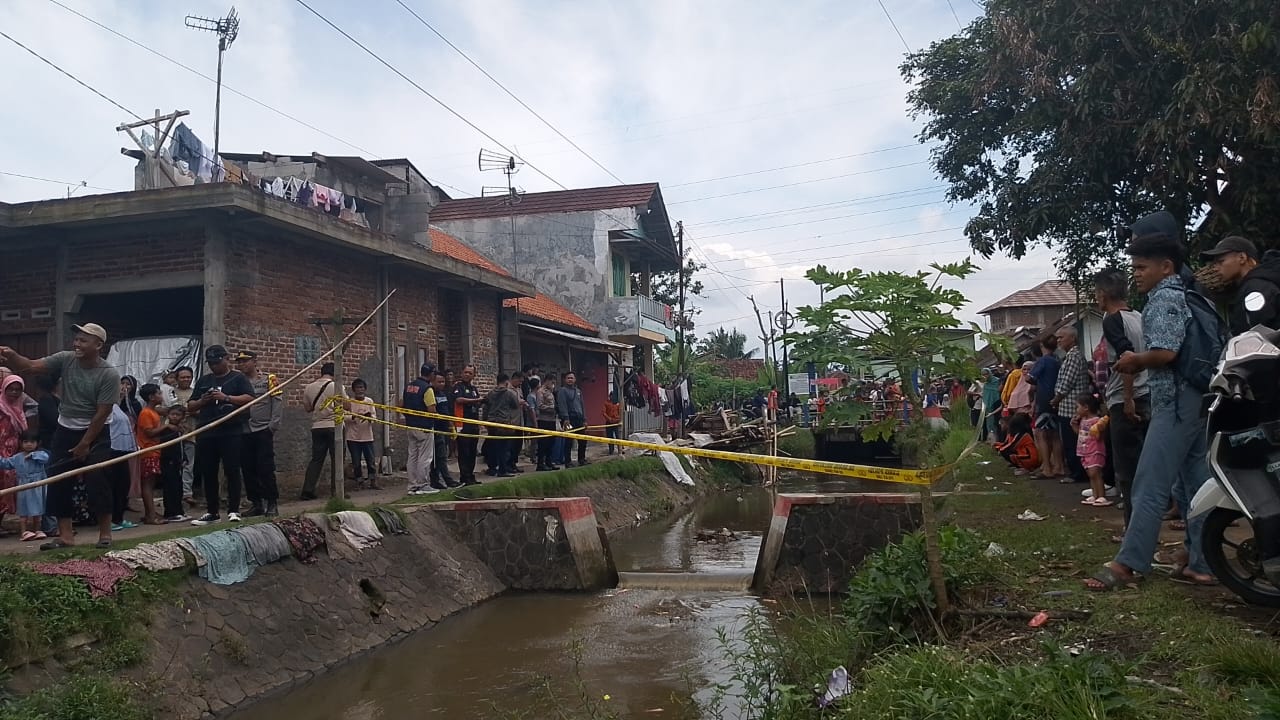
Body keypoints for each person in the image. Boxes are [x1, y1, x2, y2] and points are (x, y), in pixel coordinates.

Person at [1088, 229, 1215, 590]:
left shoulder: (1163, 299)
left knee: (1149, 482)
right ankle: (1202, 561)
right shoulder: (1188, 295)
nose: (1137, 274)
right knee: (1195, 483)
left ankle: (1128, 563)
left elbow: (1165, 354)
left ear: (1166, 266)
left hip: (1174, 402)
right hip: (1194, 398)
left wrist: (1134, 360)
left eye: (1143, 267)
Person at [0, 323, 120, 551]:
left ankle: (105, 534)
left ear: (99, 345)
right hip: (65, 429)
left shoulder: (109, 374)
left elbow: (102, 413)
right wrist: (12, 355)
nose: (77, 343)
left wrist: (85, 444)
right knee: (58, 479)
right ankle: (65, 536)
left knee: (99, 479)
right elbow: (31, 366)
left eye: (84, 340)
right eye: (77, 339)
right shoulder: (66, 359)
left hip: (96, 432)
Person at [1093, 267, 1150, 535]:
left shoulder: (1112, 320)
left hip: (1127, 398)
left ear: (1104, 294)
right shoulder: (1139, 317)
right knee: (1145, 466)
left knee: (1127, 471)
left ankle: (1134, 530)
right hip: (1148, 395)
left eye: (1096, 292)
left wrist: (1127, 398)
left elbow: (1127, 357)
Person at [187, 345, 255, 525]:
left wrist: (226, 397)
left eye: (217, 362)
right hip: (207, 431)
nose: (214, 366)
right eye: (211, 363)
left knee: (232, 470)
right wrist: (203, 400)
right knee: (208, 472)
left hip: (231, 430)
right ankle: (212, 511)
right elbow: (190, 405)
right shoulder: (204, 381)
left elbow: (250, 398)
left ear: (226, 359)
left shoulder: (237, 378)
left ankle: (234, 509)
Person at [1200, 235, 1280, 335]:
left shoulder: (1255, 289)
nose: (1215, 268)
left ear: (1242, 258)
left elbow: (1255, 338)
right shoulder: (1255, 285)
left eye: (1221, 261)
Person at [235, 351, 281, 516]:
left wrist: (272, 426)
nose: (242, 365)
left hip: (262, 429)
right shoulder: (237, 382)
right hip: (243, 430)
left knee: (265, 468)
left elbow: (277, 402)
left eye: (245, 361)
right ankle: (256, 503)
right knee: (248, 469)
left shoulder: (269, 379)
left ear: (255, 362)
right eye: (239, 362)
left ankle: (272, 502)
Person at [1051, 327, 1090, 484]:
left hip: (1071, 407)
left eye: (1062, 337)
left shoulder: (1074, 356)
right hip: (1067, 406)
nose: (1058, 340)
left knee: (1073, 442)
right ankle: (1076, 472)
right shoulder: (1068, 356)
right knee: (1069, 441)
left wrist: (1056, 398)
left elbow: (1067, 382)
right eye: (1057, 338)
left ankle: (1078, 474)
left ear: (1072, 338)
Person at [301, 362, 339, 501]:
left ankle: (307, 490)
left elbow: (307, 408)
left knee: (316, 460)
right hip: (334, 426)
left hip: (317, 427)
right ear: (334, 373)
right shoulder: (336, 386)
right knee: (337, 459)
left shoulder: (309, 387)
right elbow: (346, 404)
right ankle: (337, 491)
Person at [1, 431, 49, 541]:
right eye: (25, 442)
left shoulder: (40, 455)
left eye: (32, 442)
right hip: (23, 487)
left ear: (38, 443)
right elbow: (6, 463)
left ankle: (37, 530)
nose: (29, 444)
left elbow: (46, 458)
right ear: (20, 443)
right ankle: (24, 532)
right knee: (23, 510)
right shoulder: (17, 457)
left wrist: (32, 455)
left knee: (38, 510)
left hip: (38, 486)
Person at [1026, 337, 1063, 479]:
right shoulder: (1057, 360)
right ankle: (1059, 466)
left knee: (1041, 434)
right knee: (1055, 434)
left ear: (1042, 346)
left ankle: (1047, 468)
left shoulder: (1043, 361)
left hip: (1043, 400)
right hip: (1055, 399)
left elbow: (1029, 378)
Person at [399, 363, 437, 494]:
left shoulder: (409, 386)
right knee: (425, 457)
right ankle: (423, 485)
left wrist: (410, 418)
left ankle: (412, 485)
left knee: (413, 456)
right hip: (424, 427)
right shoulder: (427, 389)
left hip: (411, 425)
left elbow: (401, 405)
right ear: (431, 374)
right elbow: (431, 409)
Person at [133, 383, 168, 525]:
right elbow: (149, 432)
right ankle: (150, 516)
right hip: (148, 452)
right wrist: (166, 426)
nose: (161, 396)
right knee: (147, 484)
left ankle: (151, 513)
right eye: (158, 393)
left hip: (154, 450)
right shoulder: (146, 413)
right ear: (151, 397)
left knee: (150, 484)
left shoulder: (154, 412)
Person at [0, 375, 29, 533]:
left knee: (9, 489)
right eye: (10, 389)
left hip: (12, 457)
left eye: (18, 390)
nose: (14, 392)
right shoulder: (0, 407)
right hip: (0, 454)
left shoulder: (18, 410)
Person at [1073, 394, 1111, 507]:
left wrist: (1098, 430)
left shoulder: (1097, 421)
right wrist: (1074, 426)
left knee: (1096, 473)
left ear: (1086, 407)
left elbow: (1099, 436)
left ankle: (1101, 495)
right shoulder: (1083, 420)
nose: (1077, 410)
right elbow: (1081, 434)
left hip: (1095, 450)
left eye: (1078, 407)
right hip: (1085, 450)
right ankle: (1095, 494)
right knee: (1090, 474)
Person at [483, 372, 523, 477]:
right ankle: (502, 469)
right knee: (504, 447)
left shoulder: (490, 393)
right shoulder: (509, 393)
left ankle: (491, 468)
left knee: (492, 446)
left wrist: (485, 421)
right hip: (503, 422)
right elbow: (515, 405)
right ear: (506, 382)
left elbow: (485, 407)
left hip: (491, 422)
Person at [154, 405, 189, 522]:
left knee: (178, 487)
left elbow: (181, 446)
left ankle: (179, 511)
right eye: (172, 414)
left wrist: (184, 458)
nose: (174, 417)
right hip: (168, 461)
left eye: (178, 415)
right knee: (170, 487)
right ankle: (170, 512)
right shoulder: (165, 430)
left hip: (178, 462)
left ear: (183, 417)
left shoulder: (180, 430)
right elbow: (166, 446)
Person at [451, 365, 483, 486]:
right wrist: (476, 400)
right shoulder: (458, 387)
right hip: (463, 423)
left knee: (472, 451)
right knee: (464, 451)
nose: (467, 375)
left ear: (474, 375)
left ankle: (471, 475)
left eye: (470, 373)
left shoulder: (474, 388)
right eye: (465, 372)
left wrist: (481, 402)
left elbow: (477, 403)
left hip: (474, 423)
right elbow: (459, 400)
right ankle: (464, 476)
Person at [345, 378, 379, 490]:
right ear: (354, 390)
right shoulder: (349, 402)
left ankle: (373, 481)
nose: (360, 390)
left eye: (362, 388)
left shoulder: (369, 401)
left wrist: (369, 418)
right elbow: (344, 417)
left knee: (371, 460)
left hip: (367, 436)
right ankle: (359, 482)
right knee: (356, 461)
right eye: (358, 388)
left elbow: (374, 417)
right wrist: (354, 416)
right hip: (353, 437)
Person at [172, 366, 198, 507]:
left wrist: (192, 412)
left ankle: (187, 492)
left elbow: (201, 410)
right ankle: (174, 491)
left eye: (188, 377)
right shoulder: (170, 393)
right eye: (183, 377)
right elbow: (162, 409)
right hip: (173, 435)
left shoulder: (195, 393)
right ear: (177, 379)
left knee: (189, 464)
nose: (186, 379)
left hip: (190, 433)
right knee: (174, 464)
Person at [428, 373, 457, 489]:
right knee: (438, 457)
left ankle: (441, 479)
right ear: (433, 382)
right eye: (439, 382)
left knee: (442, 456)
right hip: (436, 428)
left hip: (444, 428)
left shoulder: (444, 394)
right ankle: (443, 480)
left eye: (443, 382)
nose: (441, 384)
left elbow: (447, 411)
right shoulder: (430, 393)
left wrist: (451, 426)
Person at [556, 372, 588, 467]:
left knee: (583, 440)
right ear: (565, 380)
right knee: (569, 441)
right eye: (568, 378)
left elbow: (582, 406)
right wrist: (565, 418)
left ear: (575, 379)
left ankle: (581, 459)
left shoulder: (578, 391)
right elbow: (562, 405)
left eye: (572, 378)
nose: (570, 380)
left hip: (579, 419)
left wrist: (584, 419)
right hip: (569, 419)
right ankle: (568, 461)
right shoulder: (562, 391)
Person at [534, 376, 559, 471]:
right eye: (552, 382)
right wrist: (551, 409)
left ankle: (549, 461)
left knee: (551, 442)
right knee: (543, 443)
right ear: (547, 381)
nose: (553, 384)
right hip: (544, 420)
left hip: (552, 420)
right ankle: (540, 463)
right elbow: (540, 406)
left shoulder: (551, 392)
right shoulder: (541, 392)